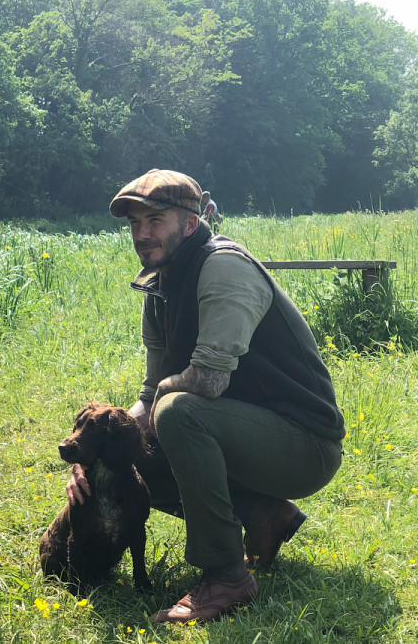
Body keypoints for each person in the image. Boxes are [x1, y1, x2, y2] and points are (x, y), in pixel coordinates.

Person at [66, 169, 344, 624]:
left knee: (177, 412)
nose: (141, 233)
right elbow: (146, 395)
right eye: (134, 223)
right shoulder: (159, 286)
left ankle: (227, 575)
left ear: (191, 223)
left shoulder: (223, 267)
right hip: (246, 434)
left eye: (155, 219)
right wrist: (89, 459)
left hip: (305, 445)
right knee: (130, 454)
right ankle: (263, 515)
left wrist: (157, 402)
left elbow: (207, 383)